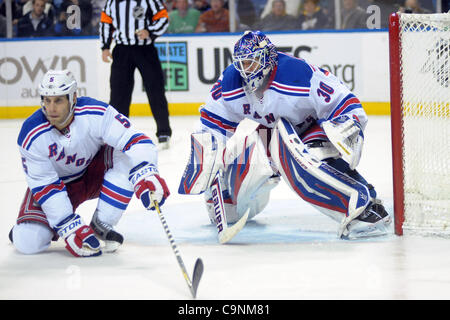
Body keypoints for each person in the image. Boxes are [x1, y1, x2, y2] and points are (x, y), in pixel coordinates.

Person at [178, 31, 391, 241]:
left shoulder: (298, 75)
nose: (246, 70)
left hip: (310, 131)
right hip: (266, 134)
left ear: (268, 58)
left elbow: (344, 104)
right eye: (242, 64)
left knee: (309, 156)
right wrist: (205, 155)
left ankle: (363, 206)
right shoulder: (230, 82)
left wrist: (346, 125)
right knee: (228, 209)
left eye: (251, 62)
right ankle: (228, 192)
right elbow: (211, 123)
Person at [9, 69, 170, 257]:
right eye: (47, 100)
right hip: (58, 186)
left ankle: (102, 222)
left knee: (128, 159)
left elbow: (134, 139)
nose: (51, 108)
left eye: (58, 100)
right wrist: (68, 226)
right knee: (28, 242)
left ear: (73, 97)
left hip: (93, 173)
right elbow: (45, 184)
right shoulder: (31, 134)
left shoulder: (96, 113)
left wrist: (147, 172)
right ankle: (24, 226)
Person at [100, 0, 172, 149]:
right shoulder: (113, 2)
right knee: (118, 94)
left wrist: (150, 31)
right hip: (122, 50)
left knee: (156, 90)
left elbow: (163, 18)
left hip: (145, 50)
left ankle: (164, 132)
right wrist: (105, 47)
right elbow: (105, 22)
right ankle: (117, 134)